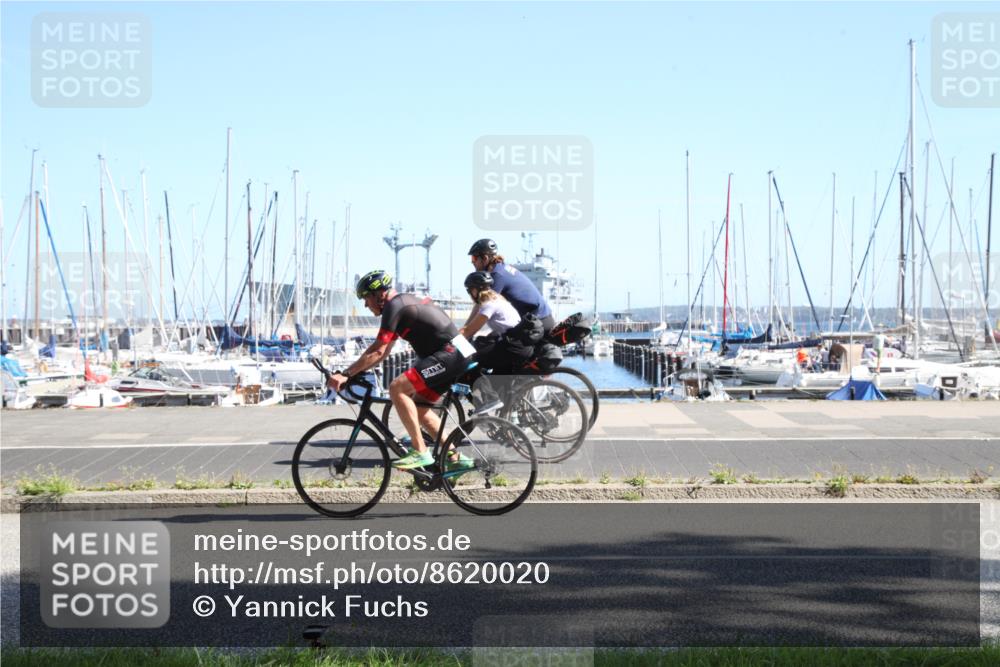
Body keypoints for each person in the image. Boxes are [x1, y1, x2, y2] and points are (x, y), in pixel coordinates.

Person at [326, 270, 474, 471]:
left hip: (450, 354)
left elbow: (378, 351)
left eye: (366, 298)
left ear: (378, 294)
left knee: (397, 388)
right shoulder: (400, 304)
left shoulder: (394, 306)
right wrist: (353, 371)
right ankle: (457, 459)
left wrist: (345, 375)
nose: (365, 304)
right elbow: (383, 350)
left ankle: (420, 451)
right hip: (457, 353)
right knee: (419, 410)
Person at [467, 238, 556, 333]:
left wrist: (463, 332)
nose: (472, 261)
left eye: (474, 258)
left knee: (491, 346)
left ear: (485, 258)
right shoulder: (501, 268)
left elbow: (480, 306)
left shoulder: (496, 276)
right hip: (538, 319)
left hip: (538, 322)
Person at [459, 271, 535, 374]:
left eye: (470, 290)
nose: (470, 294)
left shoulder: (489, 305)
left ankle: (481, 388)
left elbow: (469, 331)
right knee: (496, 376)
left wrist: (449, 340)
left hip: (514, 347)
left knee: (474, 356)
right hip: (517, 344)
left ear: (475, 290)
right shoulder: (497, 298)